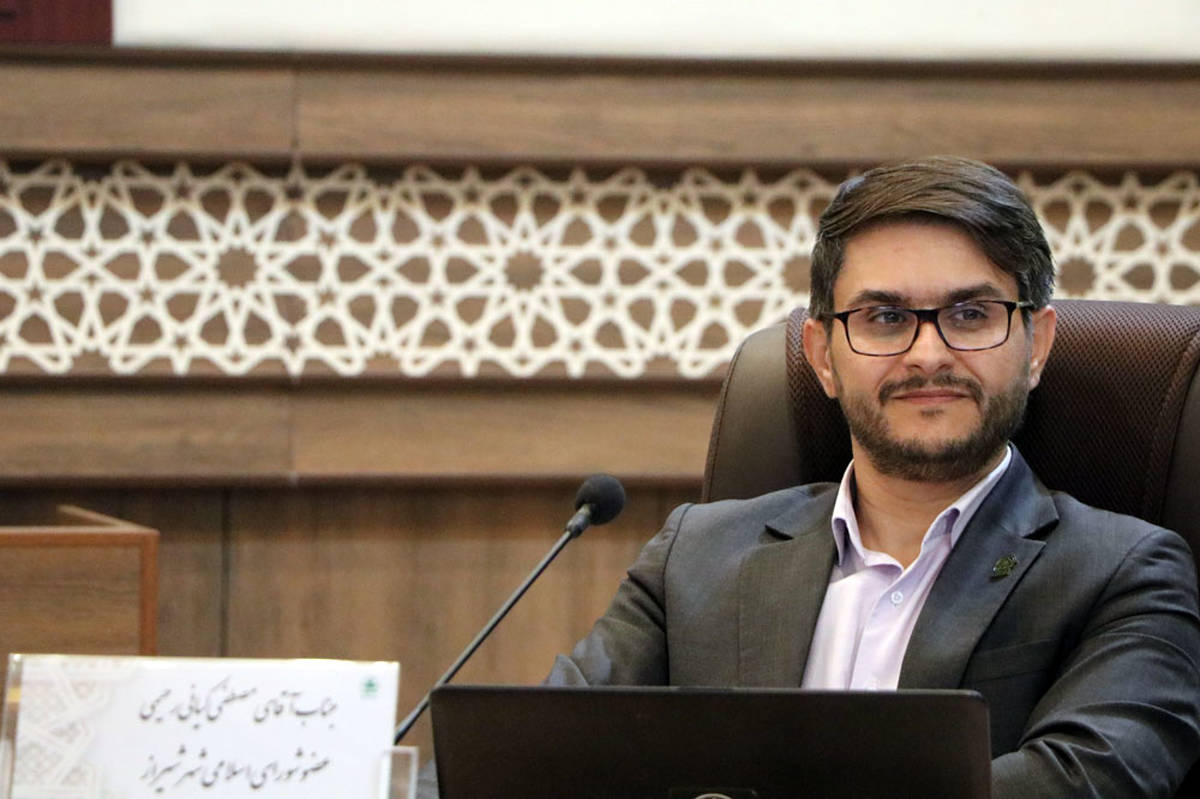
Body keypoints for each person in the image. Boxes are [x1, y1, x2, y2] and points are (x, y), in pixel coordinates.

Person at [426, 157, 1200, 797]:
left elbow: (1084, 781)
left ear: (1036, 344)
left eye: (971, 315)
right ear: (824, 356)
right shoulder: (695, 555)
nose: (929, 354)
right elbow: (538, 759)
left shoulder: (1125, 572)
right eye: (885, 318)